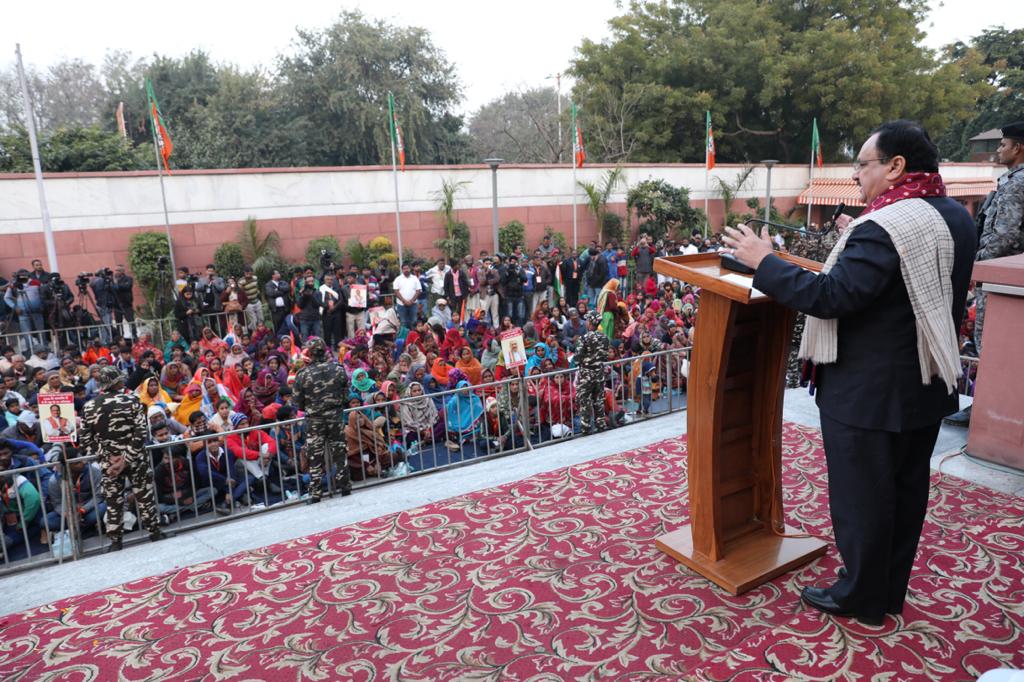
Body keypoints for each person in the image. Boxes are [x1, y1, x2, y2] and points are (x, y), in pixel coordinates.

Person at [722, 120, 976, 626]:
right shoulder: (952, 215)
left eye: (863, 164)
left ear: (896, 166)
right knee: (904, 496)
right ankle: (886, 590)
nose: (856, 175)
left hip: (869, 393)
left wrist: (765, 262)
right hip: (927, 383)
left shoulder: (885, 228)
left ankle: (860, 596)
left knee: (863, 499)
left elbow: (833, 297)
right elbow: (888, 285)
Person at [945, 121, 1024, 426]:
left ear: (1017, 147)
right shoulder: (1011, 180)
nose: (998, 149)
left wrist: (975, 267)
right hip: (999, 277)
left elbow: (1005, 237)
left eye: (1003, 144)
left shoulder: (1017, 184)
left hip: (999, 280)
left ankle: (986, 409)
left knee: (990, 344)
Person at [79, 366, 166, 552]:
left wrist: (109, 457)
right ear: (116, 381)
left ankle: (115, 541)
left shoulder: (89, 406)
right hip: (136, 459)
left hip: (109, 463)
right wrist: (126, 458)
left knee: (113, 501)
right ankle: (154, 532)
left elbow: (86, 439)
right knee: (145, 496)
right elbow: (141, 432)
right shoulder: (131, 400)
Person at [292, 337, 351, 503]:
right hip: (335, 417)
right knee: (339, 451)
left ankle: (316, 493)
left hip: (315, 420)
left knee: (315, 457)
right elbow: (346, 394)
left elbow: (297, 402)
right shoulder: (338, 369)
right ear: (325, 350)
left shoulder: (303, 374)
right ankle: (345, 486)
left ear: (310, 353)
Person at [575, 310, 610, 433]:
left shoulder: (584, 338)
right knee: (598, 400)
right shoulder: (604, 337)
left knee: (584, 401)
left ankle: (585, 427)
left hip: (587, 374)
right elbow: (606, 356)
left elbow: (577, 357)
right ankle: (601, 424)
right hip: (599, 373)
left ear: (590, 322)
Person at [392, 262, 422, 331]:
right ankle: (405, 338)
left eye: (407, 268)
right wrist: (404, 301)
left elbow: (418, 290)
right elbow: (396, 291)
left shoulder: (415, 278)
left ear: (410, 269)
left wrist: (411, 301)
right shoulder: (398, 279)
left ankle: (414, 337)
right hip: (401, 305)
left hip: (413, 304)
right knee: (403, 322)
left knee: (414, 321)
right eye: (404, 269)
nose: (406, 270)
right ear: (402, 270)